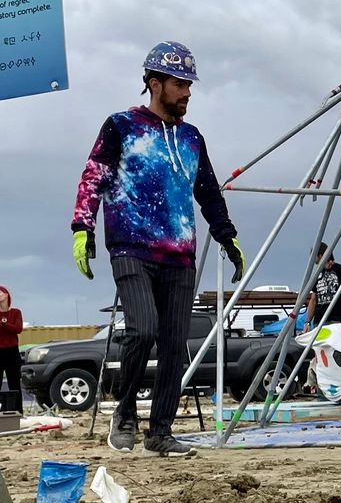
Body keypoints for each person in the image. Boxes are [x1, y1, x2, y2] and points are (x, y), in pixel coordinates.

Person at [73, 41, 244, 456]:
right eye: (179, 84)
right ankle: (125, 413)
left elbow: (208, 192)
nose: (187, 93)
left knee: (173, 344)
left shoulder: (192, 137)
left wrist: (227, 235)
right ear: (154, 83)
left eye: (189, 85)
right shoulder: (121, 125)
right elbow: (93, 175)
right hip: (131, 246)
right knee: (143, 329)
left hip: (179, 253)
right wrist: (82, 227)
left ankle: (160, 432)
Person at [0, 285, 24, 414]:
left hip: (11, 351)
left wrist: (2, 324)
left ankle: (18, 411)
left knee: (14, 382)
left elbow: (18, 328)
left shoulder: (16, 312)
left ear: (6, 295)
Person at [304, 244, 341, 329]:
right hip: (318, 321)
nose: (313, 259)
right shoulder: (317, 274)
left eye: (314, 256)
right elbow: (313, 300)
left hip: (336, 320)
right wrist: (307, 322)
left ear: (320, 255)